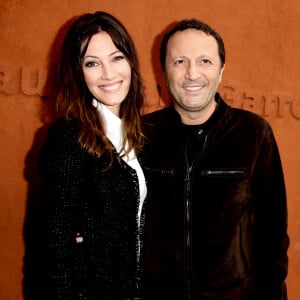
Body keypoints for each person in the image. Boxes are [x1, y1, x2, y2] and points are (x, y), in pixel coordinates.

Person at [140, 19, 289, 299]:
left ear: (221, 71)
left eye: (205, 61)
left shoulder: (253, 133)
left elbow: (273, 234)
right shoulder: (141, 134)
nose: (192, 73)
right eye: (180, 61)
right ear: (164, 71)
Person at [38, 11, 146, 299]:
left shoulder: (140, 134)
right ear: (77, 72)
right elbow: (54, 246)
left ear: (131, 63)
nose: (108, 74)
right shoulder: (68, 138)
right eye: (92, 63)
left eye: (117, 58)